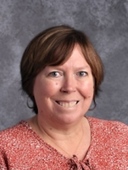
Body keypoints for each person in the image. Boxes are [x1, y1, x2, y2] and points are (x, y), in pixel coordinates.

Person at [0, 25, 128, 170]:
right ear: (31, 83)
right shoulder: (4, 151)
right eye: (55, 73)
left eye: (81, 73)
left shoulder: (121, 138)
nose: (69, 87)